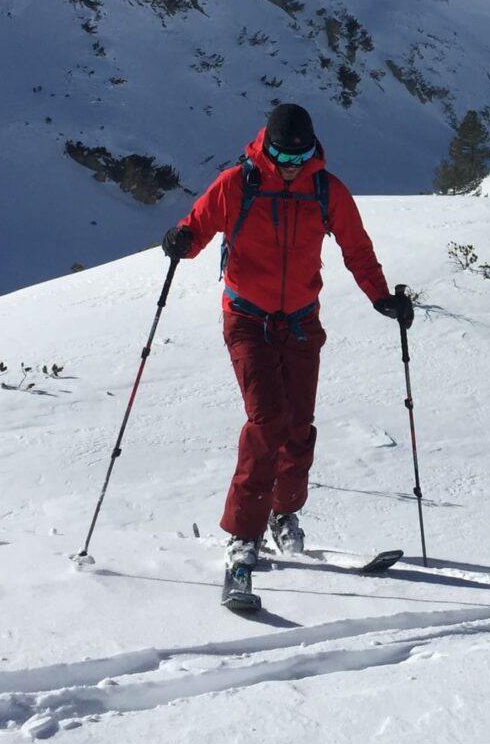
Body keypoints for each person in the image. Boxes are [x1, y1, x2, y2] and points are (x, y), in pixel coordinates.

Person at [163, 103, 411, 589]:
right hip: (246, 317)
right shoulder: (239, 183)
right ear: (265, 146)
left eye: (298, 155)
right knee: (267, 422)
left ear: (312, 149)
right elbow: (198, 226)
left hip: (300, 320)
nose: (291, 164)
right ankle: (244, 532)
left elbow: (356, 248)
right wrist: (180, 240)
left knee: (298, 429)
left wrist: (381, 297)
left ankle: (283, 514)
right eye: (280, 154)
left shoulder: (325, 188)